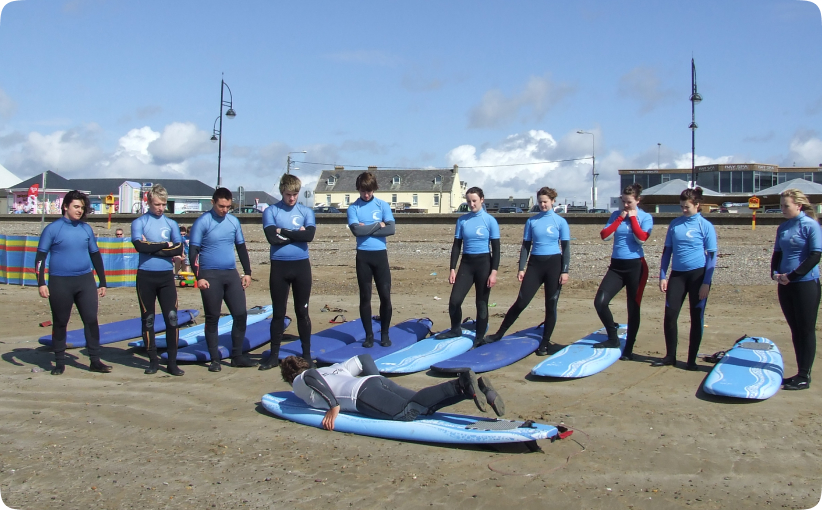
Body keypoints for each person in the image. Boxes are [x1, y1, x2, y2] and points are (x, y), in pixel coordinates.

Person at [280, 354, 504, 431]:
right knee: (421, 407)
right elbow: (364, 359)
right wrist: (377, 378)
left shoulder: (300, 379)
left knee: (408, 412)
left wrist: (333, 406)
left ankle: (460, 384)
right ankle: (474, 389)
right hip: (375, 382)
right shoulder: (330, 367)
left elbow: (311, 377)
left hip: (361, 395)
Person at [484, 187, 570, 355]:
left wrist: (565, 271)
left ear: (552, 201)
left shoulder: (560, 222)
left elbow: (566, 249)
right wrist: (521, 268)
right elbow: (526, 246)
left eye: (546, 202)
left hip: (554, 264)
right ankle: (499, 334)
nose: (543, 205)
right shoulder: (532, 221)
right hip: (535, 264)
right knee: (522, 301)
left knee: (550, 304)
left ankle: (545, 343)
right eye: (540, 202)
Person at [35, 190, 110, 375]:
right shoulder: (53, 229)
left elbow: (95, 254)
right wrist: (41, 283)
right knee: (60, 322)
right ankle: (59, 362)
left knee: (91, 320)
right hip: (60, 282)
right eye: (76, 207)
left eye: (82, 207)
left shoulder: (86, 229)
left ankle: (95, 360)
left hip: (85, 281)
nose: (79, 210)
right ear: (65, 206)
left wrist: (102, 281)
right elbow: (40, 258)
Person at [189, 188, 257, 371]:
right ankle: (214, 360)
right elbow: (193, 252)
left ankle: (236, 356)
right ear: (213, 203)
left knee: (241, 314)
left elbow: (241, 247)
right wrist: (198, 277)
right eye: (221, 206)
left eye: (228, 206)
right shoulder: (202, 222)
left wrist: (247, 272)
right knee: (212, 317)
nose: (225, 210)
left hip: (230, 273)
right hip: (210, 275)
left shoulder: (233, 222)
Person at [656, 187, 717, 370]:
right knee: (670, 315)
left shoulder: (705, 226)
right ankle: (670, 355)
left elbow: (712, 255)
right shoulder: (675, 224)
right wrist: (662, 275)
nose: (683, 210)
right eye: (681, 206)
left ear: (697, 205)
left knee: (696, 316)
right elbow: (667, 251)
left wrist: (706, 282)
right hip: (678, 275)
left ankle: (691, 360)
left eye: (687, 207)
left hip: (698, 275)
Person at [259, 174, 316, 370]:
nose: (292, 198)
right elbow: (272, 239)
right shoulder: (271, 211)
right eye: (288, 194)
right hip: (279, 266)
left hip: (301, 266)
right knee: (278, 312)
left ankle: (306, 355)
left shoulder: (306, 211)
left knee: (303, 311)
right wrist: (296, 234)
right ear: (281, 192)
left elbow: (309, 235)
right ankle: (274, 355)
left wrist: (283, 231)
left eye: (295, 194)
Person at [131, 184, 186, 376]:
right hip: (145, 276)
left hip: (165, 277)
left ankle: (172, 362)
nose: (160, 208)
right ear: (148, 202)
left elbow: (178, 249)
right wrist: (165, 245)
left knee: (172, 318)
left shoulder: (170, 224)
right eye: (157, 204)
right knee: (148, 319)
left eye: (163, 204)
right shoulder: (140, 222)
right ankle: (153, 359)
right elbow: (140, 246)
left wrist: (153, 247)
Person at [593, 183, 653, 358]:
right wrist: (620, 218)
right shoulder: (615, 215)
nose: (625, 205)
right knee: (600, 302)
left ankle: (629, 348)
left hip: (636, 266)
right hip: (616, 267)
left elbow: (642, 239)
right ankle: (613, 338)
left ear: (637, 200)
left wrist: (633, 218)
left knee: (633, 307)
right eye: (623, 202)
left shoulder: (645, 217)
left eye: (629, 202)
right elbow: (605, 236)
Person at [435, 187, 500, 348]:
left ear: (482, 200)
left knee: (482, 303)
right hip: (466, 264)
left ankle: (479, 337)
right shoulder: (462, 220)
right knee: (455, 301)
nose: (471, 204)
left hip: (484, 263)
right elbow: (456, 246)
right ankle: (456, 329)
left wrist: (493, 272)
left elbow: (496, 249)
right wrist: (452, 269)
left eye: (474, 201)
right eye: (469, 201)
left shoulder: (490, 220)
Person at [772, 188, 822, 390]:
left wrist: (792, 276)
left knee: (806, 329)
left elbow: (815, 256)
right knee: (795, 329)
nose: (783, 209)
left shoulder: (811, 225)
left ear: (798, 206)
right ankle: (798, 373)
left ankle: (804, 375)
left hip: (805, 284)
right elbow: (777, 253)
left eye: (786, 205)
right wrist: (775, 273)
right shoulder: (783, 227)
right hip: (785, 285)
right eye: (781, 205)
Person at [347, 172, 396, 348]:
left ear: (374, 189)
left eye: (369, 191)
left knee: (385, 296)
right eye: (362, 191)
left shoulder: (382, 205)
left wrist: (366, 227)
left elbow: (391, 229)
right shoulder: (354, 208)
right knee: (365, 297)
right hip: (363, 256)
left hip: (380, 255)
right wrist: (377, 225)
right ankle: (368, 335)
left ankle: (384, 334)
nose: (366, 195)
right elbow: (356, 232)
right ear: (358, 190)